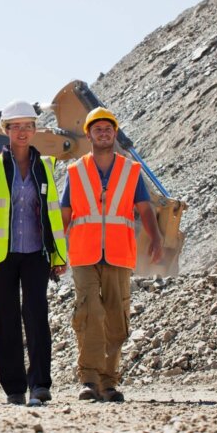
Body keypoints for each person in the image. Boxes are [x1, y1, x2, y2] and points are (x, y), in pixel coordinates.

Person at [61, 106, 161, 403]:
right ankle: (89, 379)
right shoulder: (76, 170)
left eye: (108, 129)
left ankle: (109, 381)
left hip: (118, 253)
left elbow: (145, 208)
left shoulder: (131, 171)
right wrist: (55, 252)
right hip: (83, 254)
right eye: (97, 129)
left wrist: (155, 237)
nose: (103, 133)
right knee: (90, 314)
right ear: (89, 134)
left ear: (114, 134)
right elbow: (65, 213)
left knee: (116, 319)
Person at [0, 100, 67, 405]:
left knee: (36, 314)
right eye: (16, 126)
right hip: (0, 256)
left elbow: (53, 213)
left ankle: (40, 383)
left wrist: (58, 256)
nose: (23, 131)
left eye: (28, 125)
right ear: (6, 130)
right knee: (5, 318)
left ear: (35, 129)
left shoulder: (46, 167)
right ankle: (14, 388)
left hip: (36, 253)